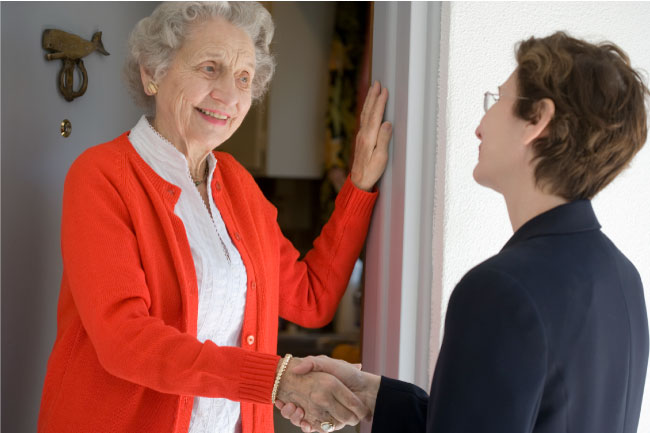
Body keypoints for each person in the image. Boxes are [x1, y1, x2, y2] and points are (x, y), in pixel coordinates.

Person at [37, 2, 392, 433]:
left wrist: (357, 186)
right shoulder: (101, 177)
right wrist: (277, 382)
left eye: (244, 78)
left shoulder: (238, 186)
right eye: (209, 68)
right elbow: (125, 341)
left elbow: (310, 298)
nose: (230, 95)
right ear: (152, 72)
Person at [276, 31, 649, 433]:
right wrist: (374, 395)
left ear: (537, 120)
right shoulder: (624, 279)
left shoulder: (500, 290)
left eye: (497, 101)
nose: (480, 126)